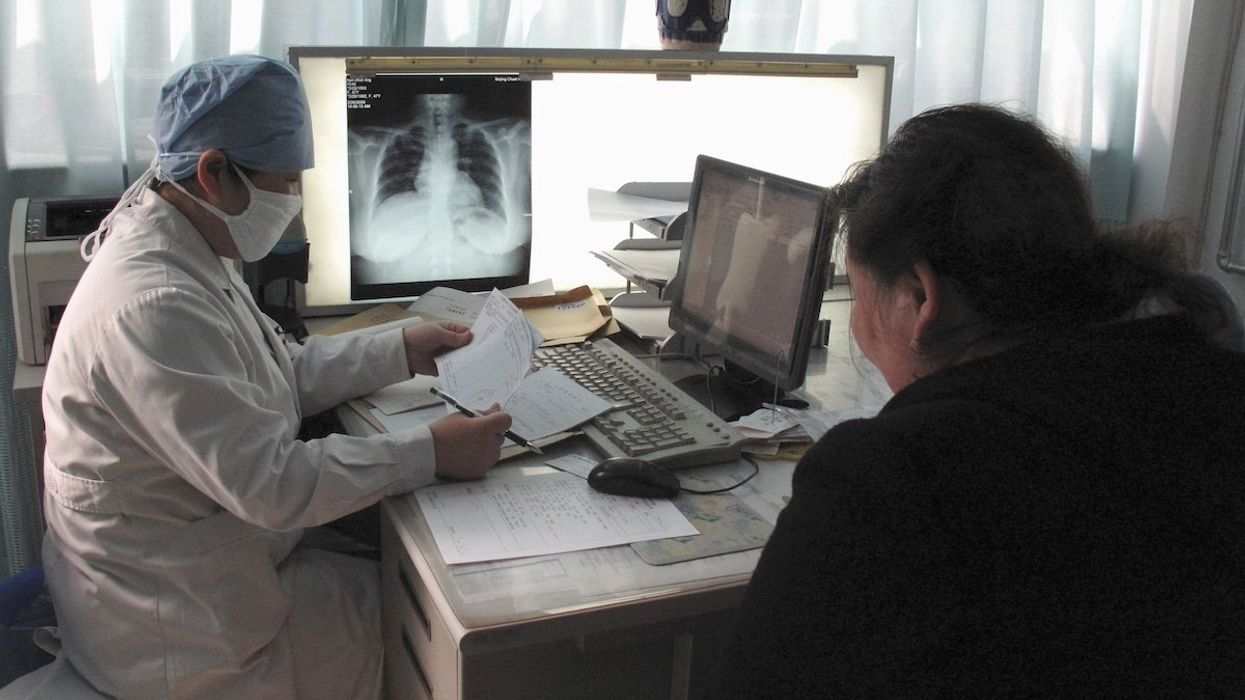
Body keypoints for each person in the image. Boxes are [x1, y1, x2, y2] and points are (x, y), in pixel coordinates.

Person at [708, 104, 1245, 696]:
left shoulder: (891, 477)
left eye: (859, 296)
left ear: (920, 296)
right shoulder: (1213, 383)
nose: (859, 323)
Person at [38, 55, 512, 699]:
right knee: (455, 634)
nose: (292, 202)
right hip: (182, 637)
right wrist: (431, 453)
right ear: (212, 172)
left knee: (419, 580)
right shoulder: (155, 302)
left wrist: (400, 347)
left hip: (210, 567)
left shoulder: (188, 235)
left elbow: (270, 370)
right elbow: (272, 485)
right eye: (286, 181)